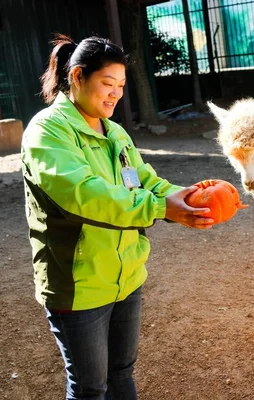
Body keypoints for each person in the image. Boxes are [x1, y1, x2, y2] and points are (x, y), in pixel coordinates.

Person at [21, 34, 216, 399]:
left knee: (121, 373)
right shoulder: (47, 131)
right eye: (107, 84)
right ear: (77, 76)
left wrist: (183, 197)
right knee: (90, 387)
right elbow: (84, 194)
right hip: (78, 283)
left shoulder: (115, 132)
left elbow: (143, 180)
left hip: (126, 276)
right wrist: (160, 208)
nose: (115, 94)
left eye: (121, 86)